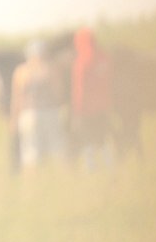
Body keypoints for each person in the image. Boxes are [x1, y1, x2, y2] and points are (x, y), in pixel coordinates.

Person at [10, 40, 65, 170]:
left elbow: (16, 98)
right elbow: (59, 93)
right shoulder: (50, 69)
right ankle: (65, 182)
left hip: (28, 115)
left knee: (30, 154)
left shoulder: (21, 71)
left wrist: (14, 119)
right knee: (58, 149)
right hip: (50, 113)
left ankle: (31, 188)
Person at [70, 27, 114, 170]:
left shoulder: (82, 61)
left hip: (86, 108)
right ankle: (109, 166)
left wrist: (77, 109)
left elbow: (79, 88)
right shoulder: (104, 58)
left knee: (87, 138)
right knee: (103, 138)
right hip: (104, 105)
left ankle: (91, 168)